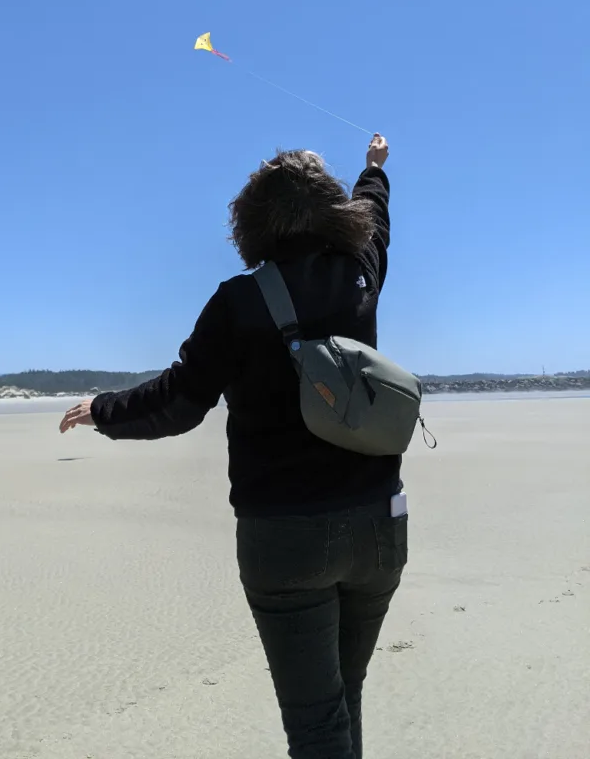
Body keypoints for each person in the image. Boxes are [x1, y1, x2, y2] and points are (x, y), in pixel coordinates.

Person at [60, 133, 404, 759]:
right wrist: (373, 170)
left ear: (252, 220)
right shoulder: (359, 274)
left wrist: (102, 410)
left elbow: (179, 401)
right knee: (342, 697)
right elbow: (375, 219)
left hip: (286, 538)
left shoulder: (240, 300)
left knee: (315, 722)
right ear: (332, 209)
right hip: (380, 525)